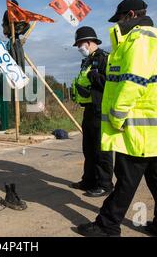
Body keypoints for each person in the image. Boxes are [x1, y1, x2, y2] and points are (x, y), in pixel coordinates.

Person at [77, 0, 157, 237]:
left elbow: (132, 83)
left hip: (140, 125)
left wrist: (117, 117)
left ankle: (107, 225)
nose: (118, 24)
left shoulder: (138, 41)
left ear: (130, 15)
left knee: (127, 177)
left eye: (119, 19)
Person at [70, 26, 114, 197]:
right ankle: (88, 180)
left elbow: (111, 82)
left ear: (88, 42)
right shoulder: (87, 61)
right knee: (88, 148)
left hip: (101, 108)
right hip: (89, 109)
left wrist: (97, 77)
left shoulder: (104, 58)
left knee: (101, 149)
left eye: (80, 44)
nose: (79, 48)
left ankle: (105, 184)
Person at [2, 0, 30, 71]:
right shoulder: (7, 12)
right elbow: (7, 21)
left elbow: (21, 19)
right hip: (9, 30)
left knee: (28, 25)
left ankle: (18, 33)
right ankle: (16, 34)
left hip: (15, 31)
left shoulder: (16, 12)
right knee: (14, 50)